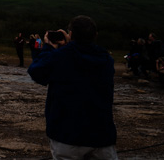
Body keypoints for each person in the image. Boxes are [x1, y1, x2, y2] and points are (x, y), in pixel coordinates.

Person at [28, 16, 117, 159]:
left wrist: (49, 48)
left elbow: (36, 72)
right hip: (101, 134)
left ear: (70, 34)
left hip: (67, 134)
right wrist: (70, 45)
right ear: (95, 35)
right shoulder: (106, 59)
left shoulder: (61, 56)